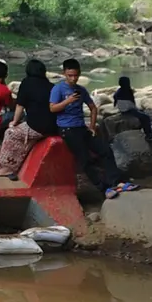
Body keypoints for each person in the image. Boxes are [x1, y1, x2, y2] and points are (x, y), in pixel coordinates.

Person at [51, 59, 131, 198]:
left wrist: (92, 126)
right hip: (67, 129)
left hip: (82, 128)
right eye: (70, 75)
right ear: (64, 73)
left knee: (105, 150)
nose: (73, 78)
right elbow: (52, 108)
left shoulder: (81, 90)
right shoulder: (58, 89)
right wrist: (67, 101)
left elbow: (93, 108)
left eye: (76, 75)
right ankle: (104, 188)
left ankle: (116, 182)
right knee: (85, 159)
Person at [0, 60, 59, 178]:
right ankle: (17, 165)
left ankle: (6, 168)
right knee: (26, 135)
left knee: (11, 133)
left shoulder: (27, 83)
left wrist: (14, 122)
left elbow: (20, 105)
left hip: (36, 126)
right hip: (52, 126)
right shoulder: (51, 86)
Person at [113, 76, 152, 142]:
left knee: (142, 113)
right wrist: (136, 109)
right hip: (129, 110)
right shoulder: (128, 90)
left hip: (122, 110)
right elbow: (132, 102)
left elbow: (114, 99)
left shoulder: (118, 91)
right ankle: (149, 135)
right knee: (146, 117)